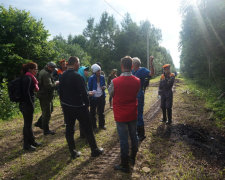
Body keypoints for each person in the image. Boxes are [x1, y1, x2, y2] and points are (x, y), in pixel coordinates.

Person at [59, 56, 103, 159]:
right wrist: (87, 105)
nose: (79, 65)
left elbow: (60, 92)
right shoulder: (78, 76)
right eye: (78, 63)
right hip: (79, 107)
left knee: (69, 129)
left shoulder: (62, 76)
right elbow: (84, 94)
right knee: (88, 128)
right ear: (74, 63)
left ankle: (73, 152)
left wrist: (63, 105)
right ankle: (94, 150)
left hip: (67, 107)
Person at [108, 56, 140, 173]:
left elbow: (110, 93)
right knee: (134, 136)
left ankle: (125, 164)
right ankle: (133, 158)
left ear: (121, 66)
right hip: (132, 113)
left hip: (120, 115)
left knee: (123, 140)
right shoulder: (137, 80)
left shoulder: (114, 81)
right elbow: (136, 92)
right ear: (132, 66)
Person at [20, 62, 41, 151]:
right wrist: (31, 104)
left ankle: (32, 141)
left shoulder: (28, 77)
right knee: (27, 125)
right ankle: (26, 145)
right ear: (30, 70)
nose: (36, 71)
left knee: (28, 124)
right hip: (26, 105)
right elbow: (26, 94)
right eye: (35, 69)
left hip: (26, 104)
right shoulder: (28, 78)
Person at [132, 56, 155, 141]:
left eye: (132, 63)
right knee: (133, 113)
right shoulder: (132, 71)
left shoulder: (142, 70)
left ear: (135, 64)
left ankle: (141, 134)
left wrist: (151, 63)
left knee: (139, 114)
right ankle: (135, 131)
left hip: (139, 94)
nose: (131, 64)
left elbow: (152, 74)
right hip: (132, 95)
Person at [34, 62, 59, 135]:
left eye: (53, 68)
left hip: (44, 95)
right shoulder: (46, 74)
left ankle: (39, 123)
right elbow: (49, 86)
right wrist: (56, 83)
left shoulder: (43, 71)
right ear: (48, 66)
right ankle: (46, 130)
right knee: (47, 113)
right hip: (45, 96)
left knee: (49, 110)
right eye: (52, 68)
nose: (53, 69)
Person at [88, 64, 107, 130]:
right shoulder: (91, 78)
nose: (99, 72)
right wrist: (91, 92)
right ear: (94, 71)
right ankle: (94, 126)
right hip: (94, 97)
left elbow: (104, 85)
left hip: (101, 96)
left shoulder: (102, 77)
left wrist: (104, 87)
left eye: (100, 70)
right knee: (93, 113)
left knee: (101, 112)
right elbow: (89, 88)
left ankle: (102, 125)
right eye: (98, 71)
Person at [77, 65, 89, 138]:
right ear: (82, 71)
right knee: (83, 118)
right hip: (80, 102)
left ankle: (83, 134)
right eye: (86, 70)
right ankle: (83, 134)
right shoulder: (79, 79)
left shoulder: (84, 79)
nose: (87, 72)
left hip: (83, 101)